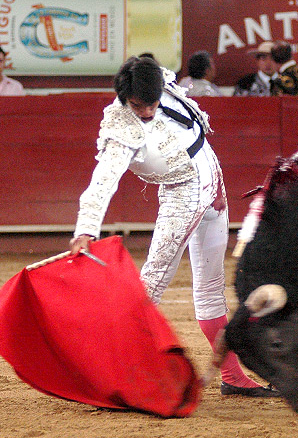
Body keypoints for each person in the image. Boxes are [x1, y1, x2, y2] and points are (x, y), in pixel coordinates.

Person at [69, 56, 278, 398]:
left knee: (211, 290)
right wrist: (85, 229)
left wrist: (220, 188)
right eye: (139, 106)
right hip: (180, 198)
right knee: (150, 285)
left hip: (209, 191)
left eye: (152, 104)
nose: (148, 112)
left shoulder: (161, 85)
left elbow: (199, 139)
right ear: (124, 98)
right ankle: (109, 373)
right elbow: (102, 181)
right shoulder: (120, 128)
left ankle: (233, 378)